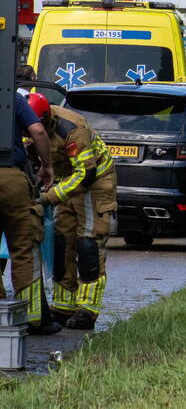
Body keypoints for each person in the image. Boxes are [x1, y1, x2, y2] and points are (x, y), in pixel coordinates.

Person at [29, 93, 117, 331]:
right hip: (64, 179)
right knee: (62, 241)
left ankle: (87, 310)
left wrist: (49, 197)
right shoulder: (30, 124)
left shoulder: (72, 128)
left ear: (46, 120)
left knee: (88, 243)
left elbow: (85, 174)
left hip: (95, 181)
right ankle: (63, 306)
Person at [0, 92, 60, 334]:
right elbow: (37, 130)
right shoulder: (10, 95)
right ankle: (32, 320)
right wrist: (47, 165)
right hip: (11, 177)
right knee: (24, 249)